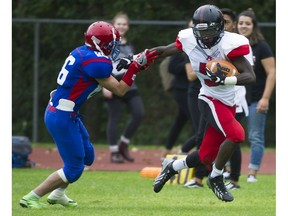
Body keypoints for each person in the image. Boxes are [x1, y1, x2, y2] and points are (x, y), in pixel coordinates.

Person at [19, 21, 157, 209]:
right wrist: (135, 69)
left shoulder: (83, 52)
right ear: (102, 43)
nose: (114, 47)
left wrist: (131, 61)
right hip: (62, 116)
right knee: (74, 168)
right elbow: (120, 89)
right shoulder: (96, 63)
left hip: (66, 111)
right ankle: (31, 196)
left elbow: (106, 67)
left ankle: (58, 193)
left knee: (88, 157)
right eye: (112, 44)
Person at [149, 4, 255, 202]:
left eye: (209, 31)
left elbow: (250, 76)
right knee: (237, 134)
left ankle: (171, 167)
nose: (205, 36)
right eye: (201, 31)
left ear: (220, 27)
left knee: (206, 156)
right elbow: (165, 50)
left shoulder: (231, 43)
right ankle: (216, 177)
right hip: (209, 98)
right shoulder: (188, 38)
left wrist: (226, 79)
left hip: (228, 100)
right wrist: (139, 58)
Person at [236, 9, 276, 183]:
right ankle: (228, 170)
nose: (244, 26)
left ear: (254, 26)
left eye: (247, 23)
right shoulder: (232, 45)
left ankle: (252, 173)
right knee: (231, 135)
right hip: (235, 99)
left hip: (256, 99)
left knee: (255, 136)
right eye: (241, 23)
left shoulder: (262, 46)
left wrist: (265, 98)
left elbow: (272, 72)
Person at [102, 12, 144, 163]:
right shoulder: (107, 42)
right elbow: (102, 63)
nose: (122, 26)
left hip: (129, 82)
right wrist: (104, 85)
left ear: (128, 26)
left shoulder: (129, 44)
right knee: (114, 117)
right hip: (112, 81)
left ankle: (123, 144)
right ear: (113, 25)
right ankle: (114, 152)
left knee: (139, 113)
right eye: (119, 23)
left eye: (124, 24)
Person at [220, 7, 249, 190]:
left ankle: (235, 180)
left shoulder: (238, 43)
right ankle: (219, 171)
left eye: (226, 22)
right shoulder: (213, 41)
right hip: (217, 98)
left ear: (233, 25)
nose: (222, 26)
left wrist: (223, 76)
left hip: (235, 100)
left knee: (234, 139)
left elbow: (247, 74)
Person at [162, 20, 194, 158]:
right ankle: (186, 149)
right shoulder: (183, 45)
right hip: (181, 89)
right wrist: (189, 65)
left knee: (180, 120)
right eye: (192, 26)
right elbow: (171, 67)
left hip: (192, 88)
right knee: (196, 121)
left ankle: (168, 148)